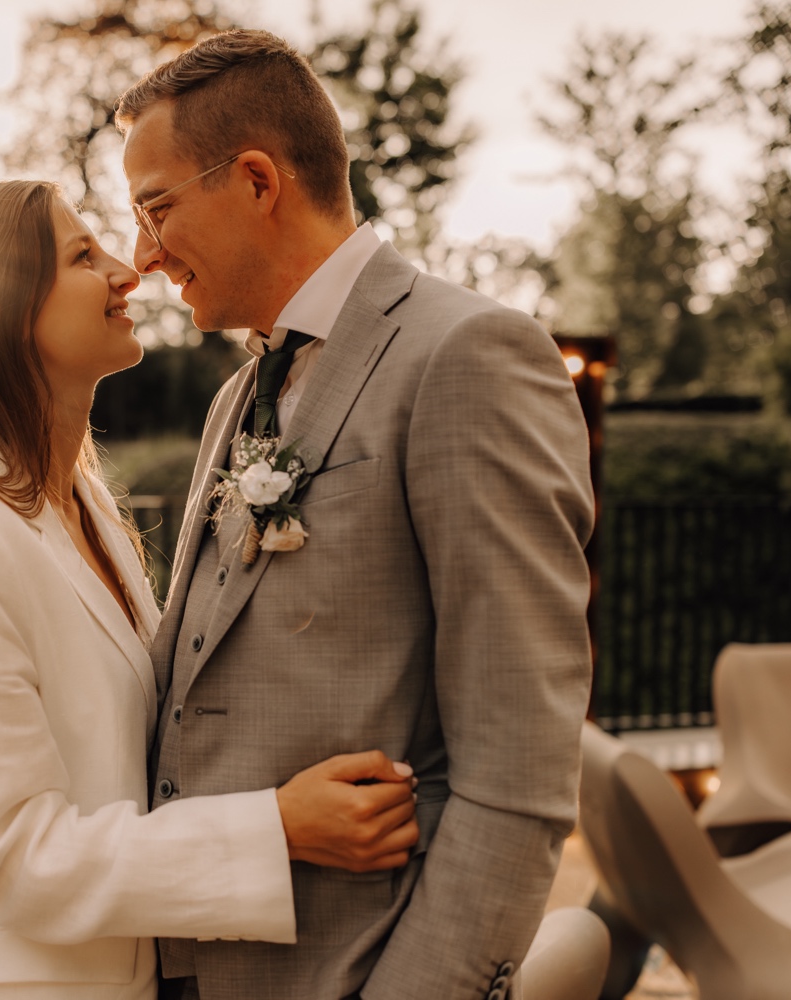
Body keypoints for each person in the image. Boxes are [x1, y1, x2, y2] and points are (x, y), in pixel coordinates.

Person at [0, 179, 422, 1000]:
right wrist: (277, 830)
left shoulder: (81, 505)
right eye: (82, 256)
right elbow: (13, 857)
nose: (127, 270)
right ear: (2, 309)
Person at [116, 29, 595, 1000]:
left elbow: (520, 767)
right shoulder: (232, 399)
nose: (144, 254)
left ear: (256, 180)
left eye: (156, 208)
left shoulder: (468, 355)